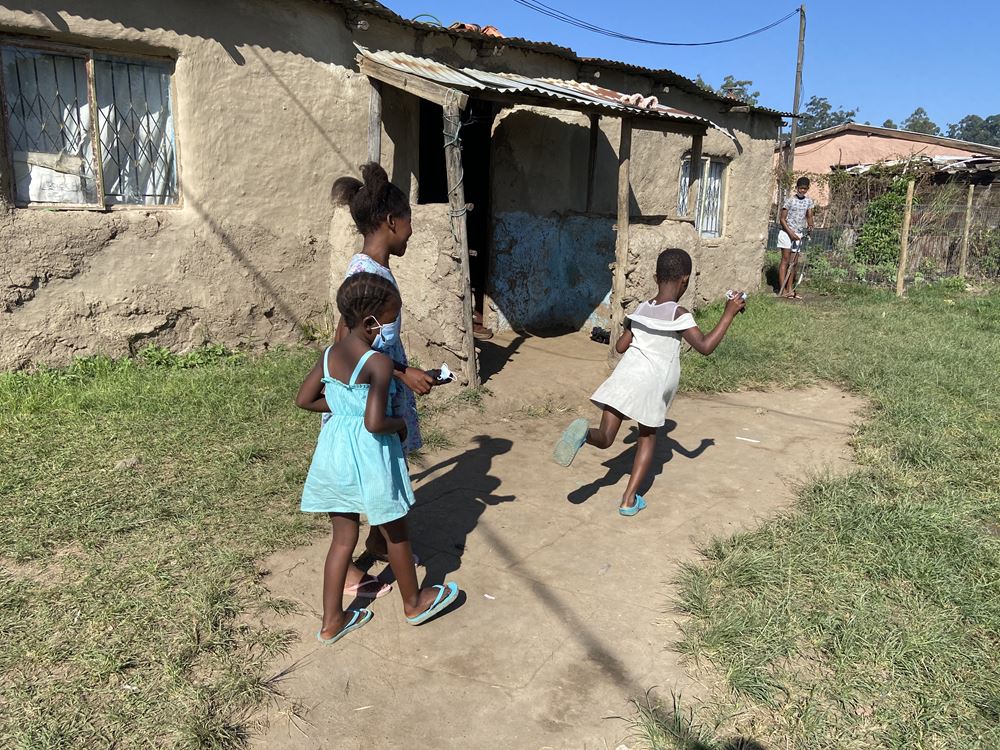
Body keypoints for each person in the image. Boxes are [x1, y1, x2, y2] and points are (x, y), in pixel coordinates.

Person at [296, 272, 459, 645]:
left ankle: (332, 621)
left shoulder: (329, 354)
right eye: (391, 319)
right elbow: (374, 423)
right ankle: (414, 602)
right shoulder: (379, 364)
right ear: (371, 322)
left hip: (335, 453)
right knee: (397, 533)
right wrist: (399, 423)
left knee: (342, 540)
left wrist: (340, 407)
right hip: (372, 458)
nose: (391, 327)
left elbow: (304, 400)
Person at [552, 249, 745, 516]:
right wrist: (729, 312)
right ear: (685, 281)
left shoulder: (641, 309)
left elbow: (620, 347)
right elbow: (705, 346)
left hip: (625, 376)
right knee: (647, 437)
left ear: (655, 278)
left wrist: (631, 327)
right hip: (651, 384)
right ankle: (629, 500)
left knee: (606, 437)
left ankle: (585, 435)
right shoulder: (679, 314)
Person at [328, 162, 443, 584]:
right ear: (393, 221)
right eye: (409, 220)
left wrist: (404, 370)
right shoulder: (364, 274)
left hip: (383, 391)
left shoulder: (376, 269)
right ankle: (355, 572)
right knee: (373, 483)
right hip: (369, 399)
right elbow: (347, 343)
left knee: (388, 473)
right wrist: (402, 372)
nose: (412, 230)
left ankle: (379, 546)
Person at [777, 176, 815, 300]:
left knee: (794, 263)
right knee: (785, 260)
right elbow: (782, 219)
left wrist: (810, 225)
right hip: (786, 233)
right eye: (801, 188)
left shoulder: (808, 201)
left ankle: (790, 289)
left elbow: (809, 215)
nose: (802, 191)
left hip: (798, 234)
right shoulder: (790, 201)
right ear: (797, 188)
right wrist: (790, 233)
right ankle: (782, 290)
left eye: (805, 189)